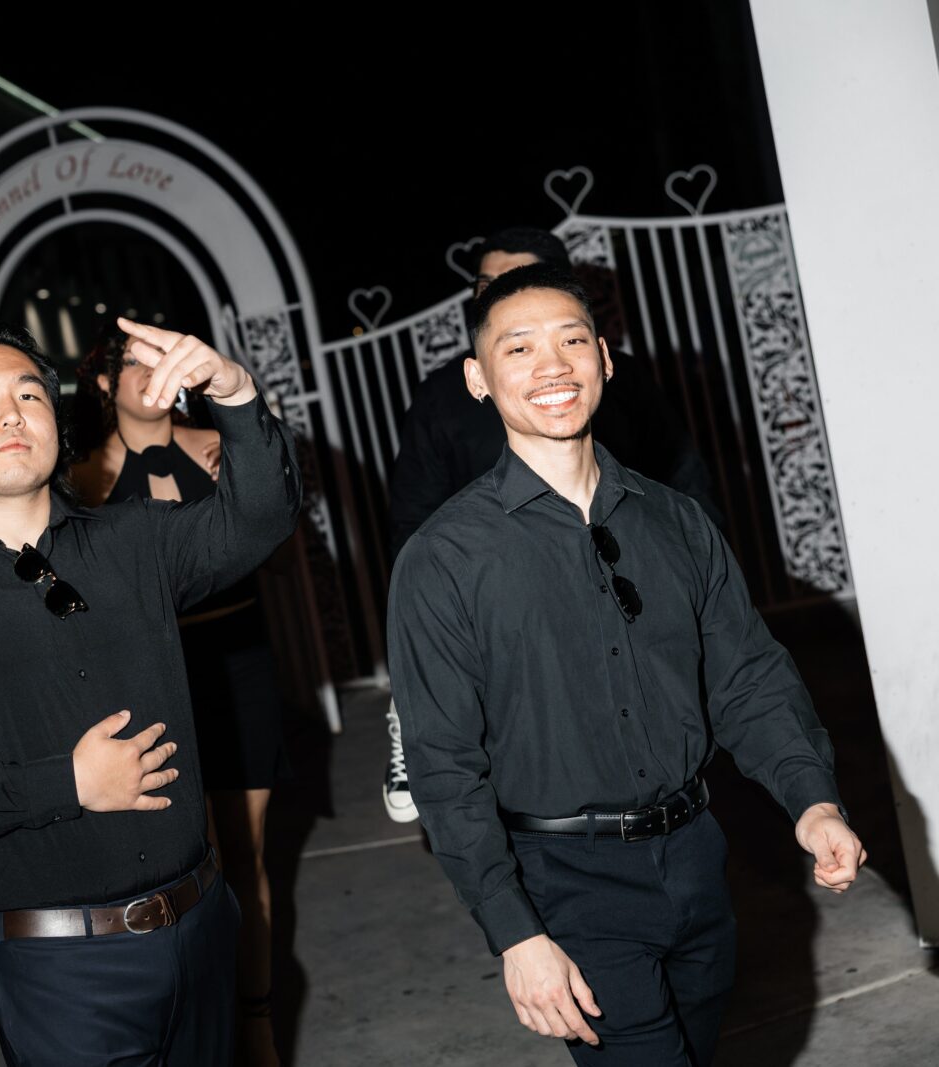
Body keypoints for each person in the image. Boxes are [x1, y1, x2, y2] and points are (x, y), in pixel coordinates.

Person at [387, 264, 864, 1065]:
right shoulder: (444, 559)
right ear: (478, 378)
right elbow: (444, 768)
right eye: (520, 347)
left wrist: (810, 799)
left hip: (697, 858)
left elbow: (747, 676)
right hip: (565, 885)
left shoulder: (674, 521)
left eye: (573, 340)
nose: (553, 367)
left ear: (606, 359)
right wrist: (516, 932)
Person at [0, 319, 300, 1065]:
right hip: (62, 971)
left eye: (31, 392)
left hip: (201, 927)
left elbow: (260, 517)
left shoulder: (132, 541)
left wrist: (233, 389)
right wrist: (69, 782)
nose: (13, 411)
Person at [381, 226, 719, 823]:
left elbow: (681, 476)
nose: (549, 370)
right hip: (502, 614)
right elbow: (414, 511)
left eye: (522, 278)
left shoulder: (619, 381)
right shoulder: (441, 397)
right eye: (490, 285)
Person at [72, 320, 287, 1066]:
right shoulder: (79, 477)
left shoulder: (218, 444)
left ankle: (257, 1019)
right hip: (157, 677)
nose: (147, 372)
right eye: (129, 363)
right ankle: (210, 1030)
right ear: (103, 383)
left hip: (240, 661)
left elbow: (272, 518)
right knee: (203, 865)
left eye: (158, 358)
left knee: (250, 856)